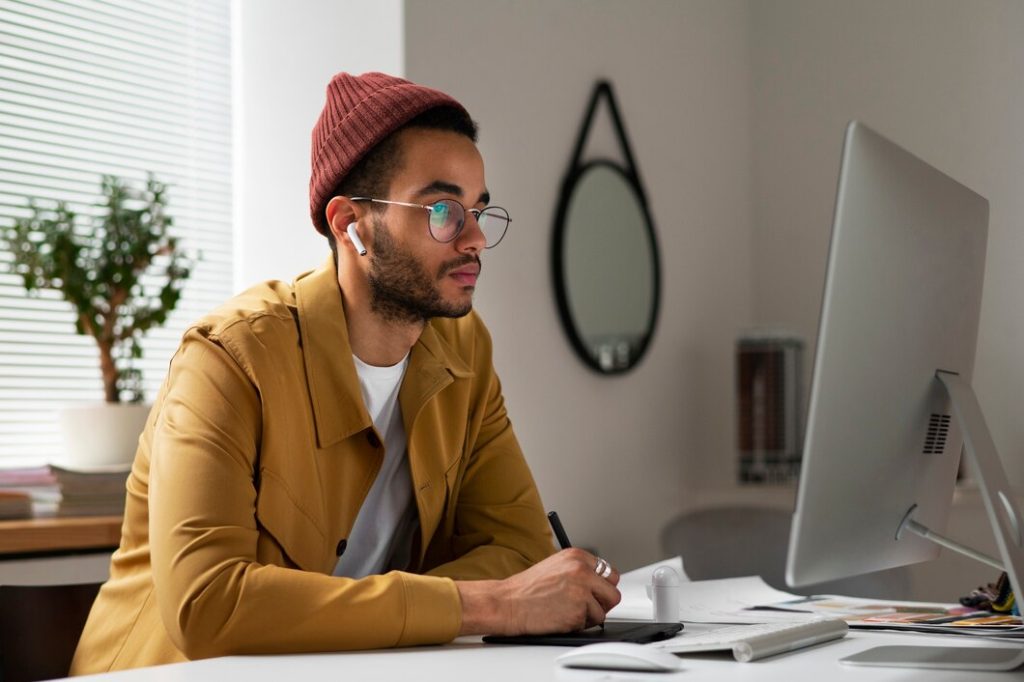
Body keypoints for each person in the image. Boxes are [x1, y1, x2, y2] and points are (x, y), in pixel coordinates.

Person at [70, 72, 620, 674]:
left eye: (480, 210)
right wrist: (484, 604)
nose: (477, 239)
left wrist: (441, 605)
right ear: (348, 224)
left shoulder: (464, 348)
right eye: (443, 210)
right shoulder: (228, 358)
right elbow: (209, 605)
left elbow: (519, 549)